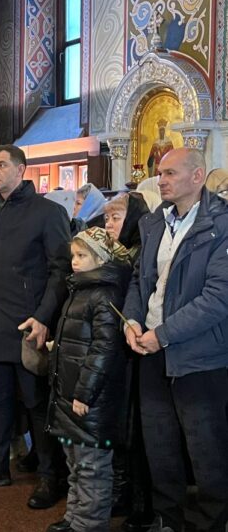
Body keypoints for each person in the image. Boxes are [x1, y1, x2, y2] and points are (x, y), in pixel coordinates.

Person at [0, 144, 71, 511]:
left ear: (22, 170)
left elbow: (59, 271)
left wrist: (43, 317)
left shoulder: (47, 212)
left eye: (2, 165)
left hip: (27, 325)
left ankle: (51, 476)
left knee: (37, 405)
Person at [122, 148, 228, 532]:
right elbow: (139, 279)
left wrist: (162, 335)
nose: (161, 179)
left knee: (206, 449)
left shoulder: (221, 223)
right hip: (150, 349)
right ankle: (168, 520)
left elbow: (218, 298)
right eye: (159, 172)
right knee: (160, 444)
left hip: (198, 354)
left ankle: (210, 524)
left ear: (197, 176)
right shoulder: (154, 223)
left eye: (170, 173)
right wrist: (131, 321)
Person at [45, 227, 133, 532]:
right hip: (71, 396)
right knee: (75, 464)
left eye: (83, 255)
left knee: (92, 467)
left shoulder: (105, 294)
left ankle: (90, 524)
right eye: (73, 255)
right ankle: (75, 518)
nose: (75, 262)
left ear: (102, 258)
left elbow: (103, 350)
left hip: (90, 400)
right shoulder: (81, 290)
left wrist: (84, 393)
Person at [102, 192, 156, 532]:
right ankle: (121, 492)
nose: (108, 224)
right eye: (106, 218)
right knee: (120, 428)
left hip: (139, 351)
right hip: (117, 351)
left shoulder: (140, 253)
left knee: (139, 433)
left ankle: (142, 502)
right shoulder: (114, 254)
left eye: (116, 217)